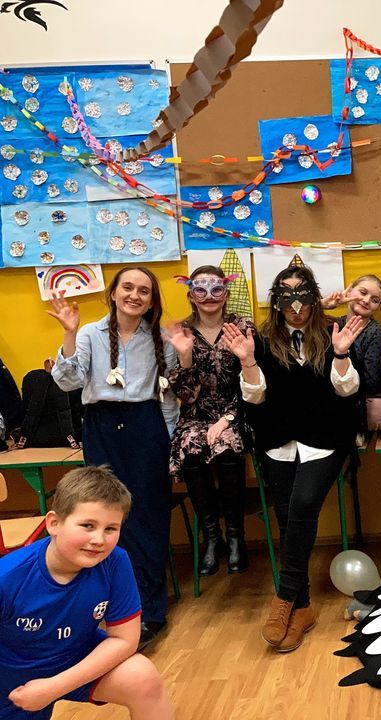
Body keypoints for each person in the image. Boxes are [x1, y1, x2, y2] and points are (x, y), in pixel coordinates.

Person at [225, 263, 364, 653]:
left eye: (302, 295)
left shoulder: (334, 333)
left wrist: (341, 354)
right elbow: (255, 398)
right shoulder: (259, 341)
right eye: (286, 297)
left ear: (314, 298)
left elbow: (348, 390)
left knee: (302, 504)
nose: (296, 306)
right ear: (276, 302)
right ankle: (302, 609)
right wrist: (248, 361)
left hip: (325, 439)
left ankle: (284, 596)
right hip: (279, 441)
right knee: (286, 519)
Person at [50, 267, 178, 650]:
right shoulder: (89, 333)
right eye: (128, 288)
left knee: (148, 518)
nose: (135, 295)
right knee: (103, 516)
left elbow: (169, 397)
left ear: (151, 301)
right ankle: (114, 609)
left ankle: (150, 612)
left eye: (144, 291)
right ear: (113, 293)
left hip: (146, 426)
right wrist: (69, 333)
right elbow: (68, 381)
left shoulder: (161, 339)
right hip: (101, 426)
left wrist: (168, 440)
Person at [0, 465, 174, 720]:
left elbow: (124, 640)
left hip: (74, 660)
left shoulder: (115, 562)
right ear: (54, 523)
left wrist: (54, 687)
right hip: (11, 679)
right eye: (88, 525)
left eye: (110, 529)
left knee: (142, 678)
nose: (99, 540)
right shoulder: (7, 577)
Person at [167, 266, 254, 577]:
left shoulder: (242, 327)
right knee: (191, 448)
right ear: (191, 295)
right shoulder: (181, 332)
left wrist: (228, 418)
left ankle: (235, 536)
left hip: (236, 411)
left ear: (225, 293)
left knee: (227, 447)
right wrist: (185, 357)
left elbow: (253, 380)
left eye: (216, 289)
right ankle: (212, 538)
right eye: (200, 290)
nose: (208, 297)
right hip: (196, 415)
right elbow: (186, 396)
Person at [329, 275, 381, 438]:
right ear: (350, 291)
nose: (366, 300)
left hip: (362, 396)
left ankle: (351, 427)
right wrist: (327, 305)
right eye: (363, 293)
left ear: (378, 307)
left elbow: (372, 382)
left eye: (375, 300)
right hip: (331, 389)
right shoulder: (333, 324)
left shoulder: (376, 333)